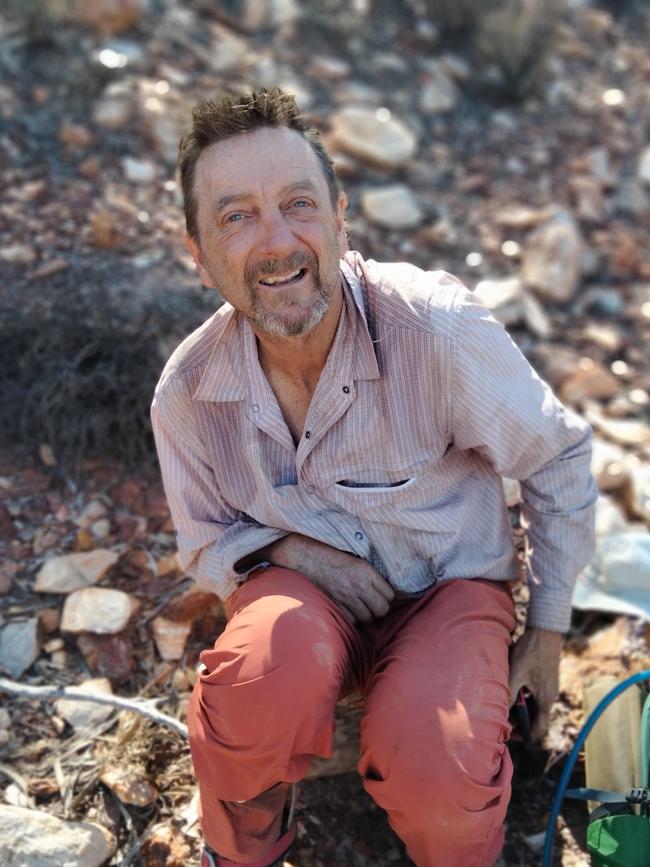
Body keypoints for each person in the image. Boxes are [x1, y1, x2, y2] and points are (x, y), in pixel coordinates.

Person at [151, 88, 597, 867]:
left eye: (298, 204)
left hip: (449, 588)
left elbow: (557, 456)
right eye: (237, 216)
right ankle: (243, 851)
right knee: (250, 681)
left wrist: (548, 630)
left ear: (340, 215)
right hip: (303, 608)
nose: (278, 241)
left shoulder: (435, 328)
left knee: (440, 759)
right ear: (197, 251)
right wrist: (288, 552)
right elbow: (204, 542)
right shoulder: (188, 393)